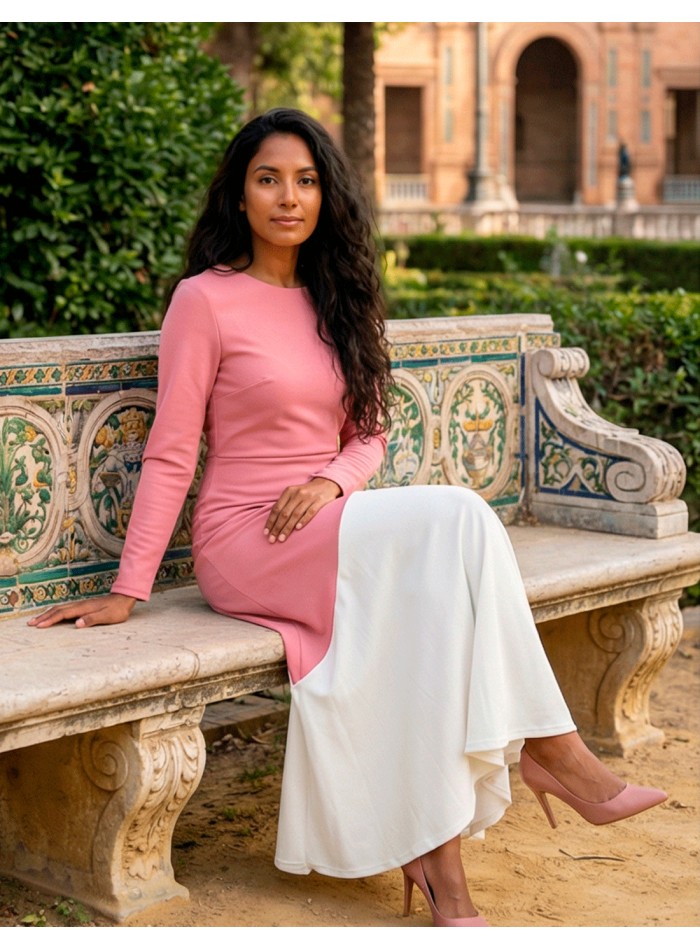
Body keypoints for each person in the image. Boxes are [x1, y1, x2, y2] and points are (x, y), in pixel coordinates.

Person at [29, 107, 667, 927]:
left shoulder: (340, 300)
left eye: (305, 180)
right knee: (462, 521)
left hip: (330, 527)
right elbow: (172, 450)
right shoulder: (206, 300)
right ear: (240, 194)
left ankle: (445, 875)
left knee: (425, 619)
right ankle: (552, 751)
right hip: (246, 540)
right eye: (268, 179)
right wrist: (130, 586)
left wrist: (332, 482)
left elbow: (367, 438)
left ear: (327, 195)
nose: (287, 197)